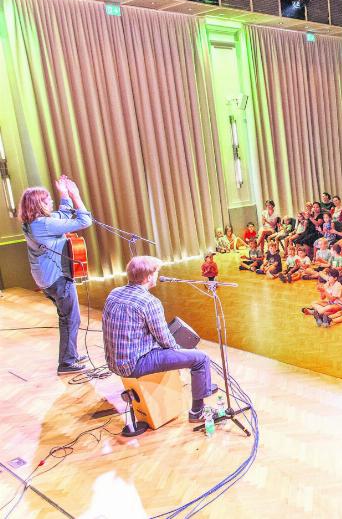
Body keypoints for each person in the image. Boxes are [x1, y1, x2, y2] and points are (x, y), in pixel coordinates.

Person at [102, 256, 215, 422]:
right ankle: (197, 412)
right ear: (148, 277)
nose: (157, 276)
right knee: (200, 358)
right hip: (134, 364)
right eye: (156, 273)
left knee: (183, 351)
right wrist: (182, 351)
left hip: (113, 361)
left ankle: (202, 385)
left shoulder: (114, 293)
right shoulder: (149, 302)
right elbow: (165, 340)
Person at [20, 176, 93, 375]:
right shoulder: (43, 224)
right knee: (70, 319)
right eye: (47, 200)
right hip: (56, 278)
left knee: (67, 317)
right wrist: (75, 196)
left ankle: (70, 355)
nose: (51, 202)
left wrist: (64, 195)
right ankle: (67, 362)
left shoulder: (33, 223)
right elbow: (84, 220)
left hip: (44, 278)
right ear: (39, 204)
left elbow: (62, 214)